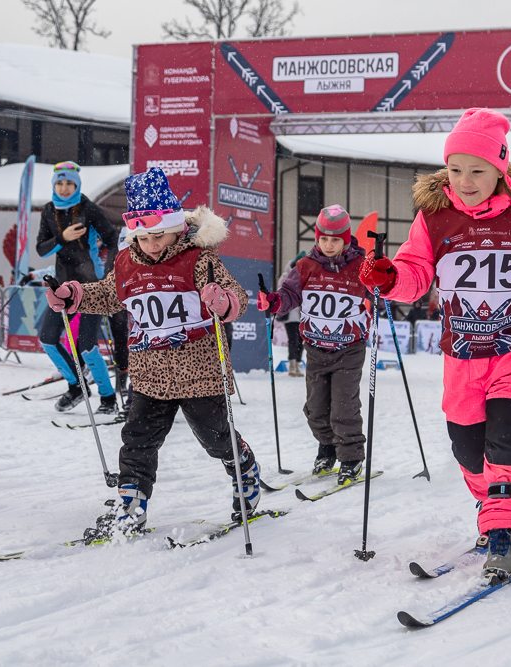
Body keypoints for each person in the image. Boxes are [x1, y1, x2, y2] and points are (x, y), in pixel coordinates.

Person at [358, 108, 511, 581]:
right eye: (455, 169)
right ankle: (492, 506)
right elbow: (415, 273)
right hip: (462, 356)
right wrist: (389, 278)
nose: (465, 180)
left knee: (509, 436)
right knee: (468, 448)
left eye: (477, 170)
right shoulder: (433, 217)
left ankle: (506, 536)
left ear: (500, 169)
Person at [44, 168, 256, 535]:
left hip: (199, 372)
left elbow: (237, 298)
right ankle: (131, 506)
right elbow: (109, 293)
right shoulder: (127, 262)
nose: (153, 244)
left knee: (215, 437)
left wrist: (223, 302)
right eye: (143, 237)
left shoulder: (199, 258)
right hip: (148, 374)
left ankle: (245, 470)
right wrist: (74, 295)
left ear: (177, 228)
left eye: (159, 235)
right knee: (137, 441)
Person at [259, 206, 371, 484]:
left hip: (349, 347)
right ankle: (327, 447)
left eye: (335, 239)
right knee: (316, 408)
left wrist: (384, 280)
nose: (329, 245)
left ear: (346, 239)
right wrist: (274, 302)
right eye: (324, 239)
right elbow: (288, 294)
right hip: (316, 349)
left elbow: (385, 292)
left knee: (344, 405)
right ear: (317, 239)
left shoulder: (360, 266)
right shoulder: (305, 266)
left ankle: (351, 457)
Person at [36, 162, 120, 414]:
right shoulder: (48, 211)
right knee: (48, 339)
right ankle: (77, 386)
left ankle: (108, 398)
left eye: (68, 184)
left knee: (87, 345)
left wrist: (108, 274)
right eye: (59, 183)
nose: (63, 188)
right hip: (62, 287)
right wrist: (63, 238)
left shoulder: (89, 209)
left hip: (91, 285)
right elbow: (41, 249)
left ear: (77, 185)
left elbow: (113, 239)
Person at [275, 251, 307, 377]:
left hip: (301, 315)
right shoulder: (285, 277)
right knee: (293, 340)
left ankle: (297, 364)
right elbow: (281, 293)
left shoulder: (305, 276)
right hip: (290, 316)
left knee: (300, 341)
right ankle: (292, 365)